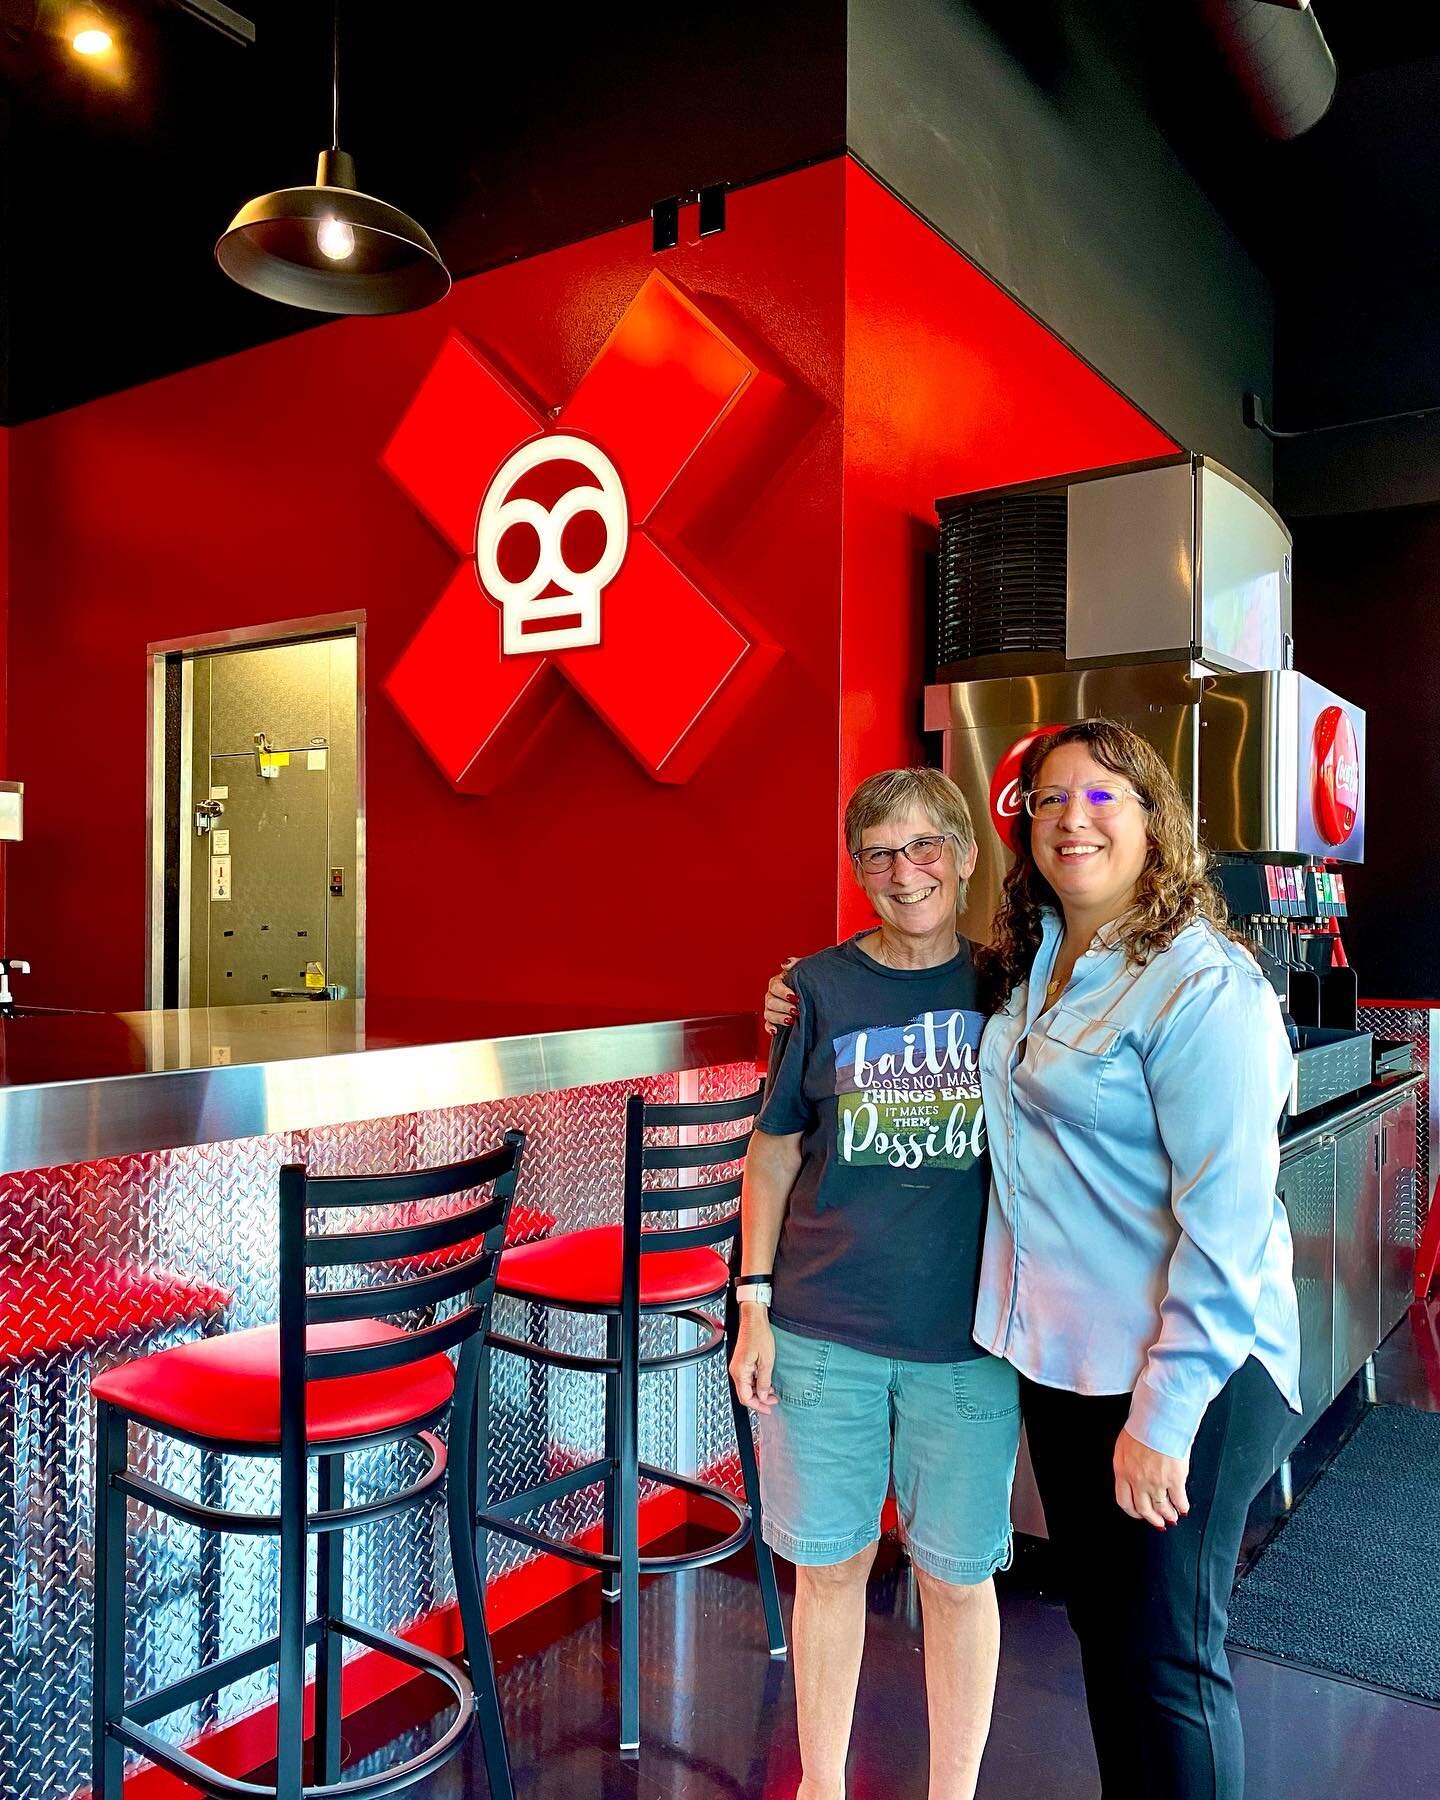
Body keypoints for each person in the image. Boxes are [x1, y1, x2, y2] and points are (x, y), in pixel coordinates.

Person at [763, 721, 1301, 1800]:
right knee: (1115, 1644)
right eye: (1051, 800)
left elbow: (1228, 1225)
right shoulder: (1039, 963)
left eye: (1104, 798)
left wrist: (1165, 1413)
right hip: (1064, 1364)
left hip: (1182, 1376)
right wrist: (796, 992)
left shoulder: (1203, 982)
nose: (1073, 818)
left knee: (1170, 1662)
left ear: (1156, 821)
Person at [734, 767, 1020, 1800]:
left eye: (925, 846)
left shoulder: (1012, 984)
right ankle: (820, 1786)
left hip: (969, 1344)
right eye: (880, 854)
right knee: (832, 1568)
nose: (907, 873)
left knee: (956, 1579)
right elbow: (771, 1156)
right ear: (858, 871)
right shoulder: (815, 987)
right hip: (822, 1329)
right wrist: (751, 1303)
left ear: (966, 852)